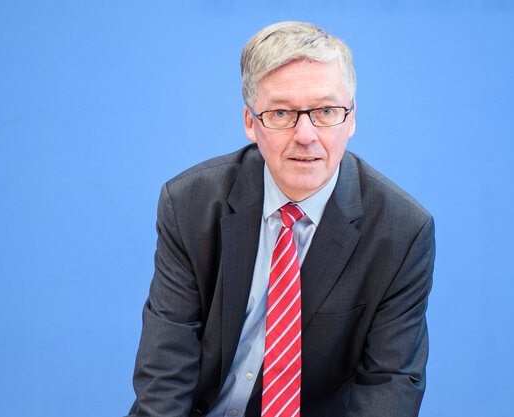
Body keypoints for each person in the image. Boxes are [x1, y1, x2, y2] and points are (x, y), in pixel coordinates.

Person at [127, 21, 435, 417]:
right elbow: (163, 377)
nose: (306, 134)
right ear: (251, 122)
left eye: (326, 111)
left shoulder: (403, 232)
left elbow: (389, 387)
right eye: (282, 112)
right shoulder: (189, 204)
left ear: (351, 118)